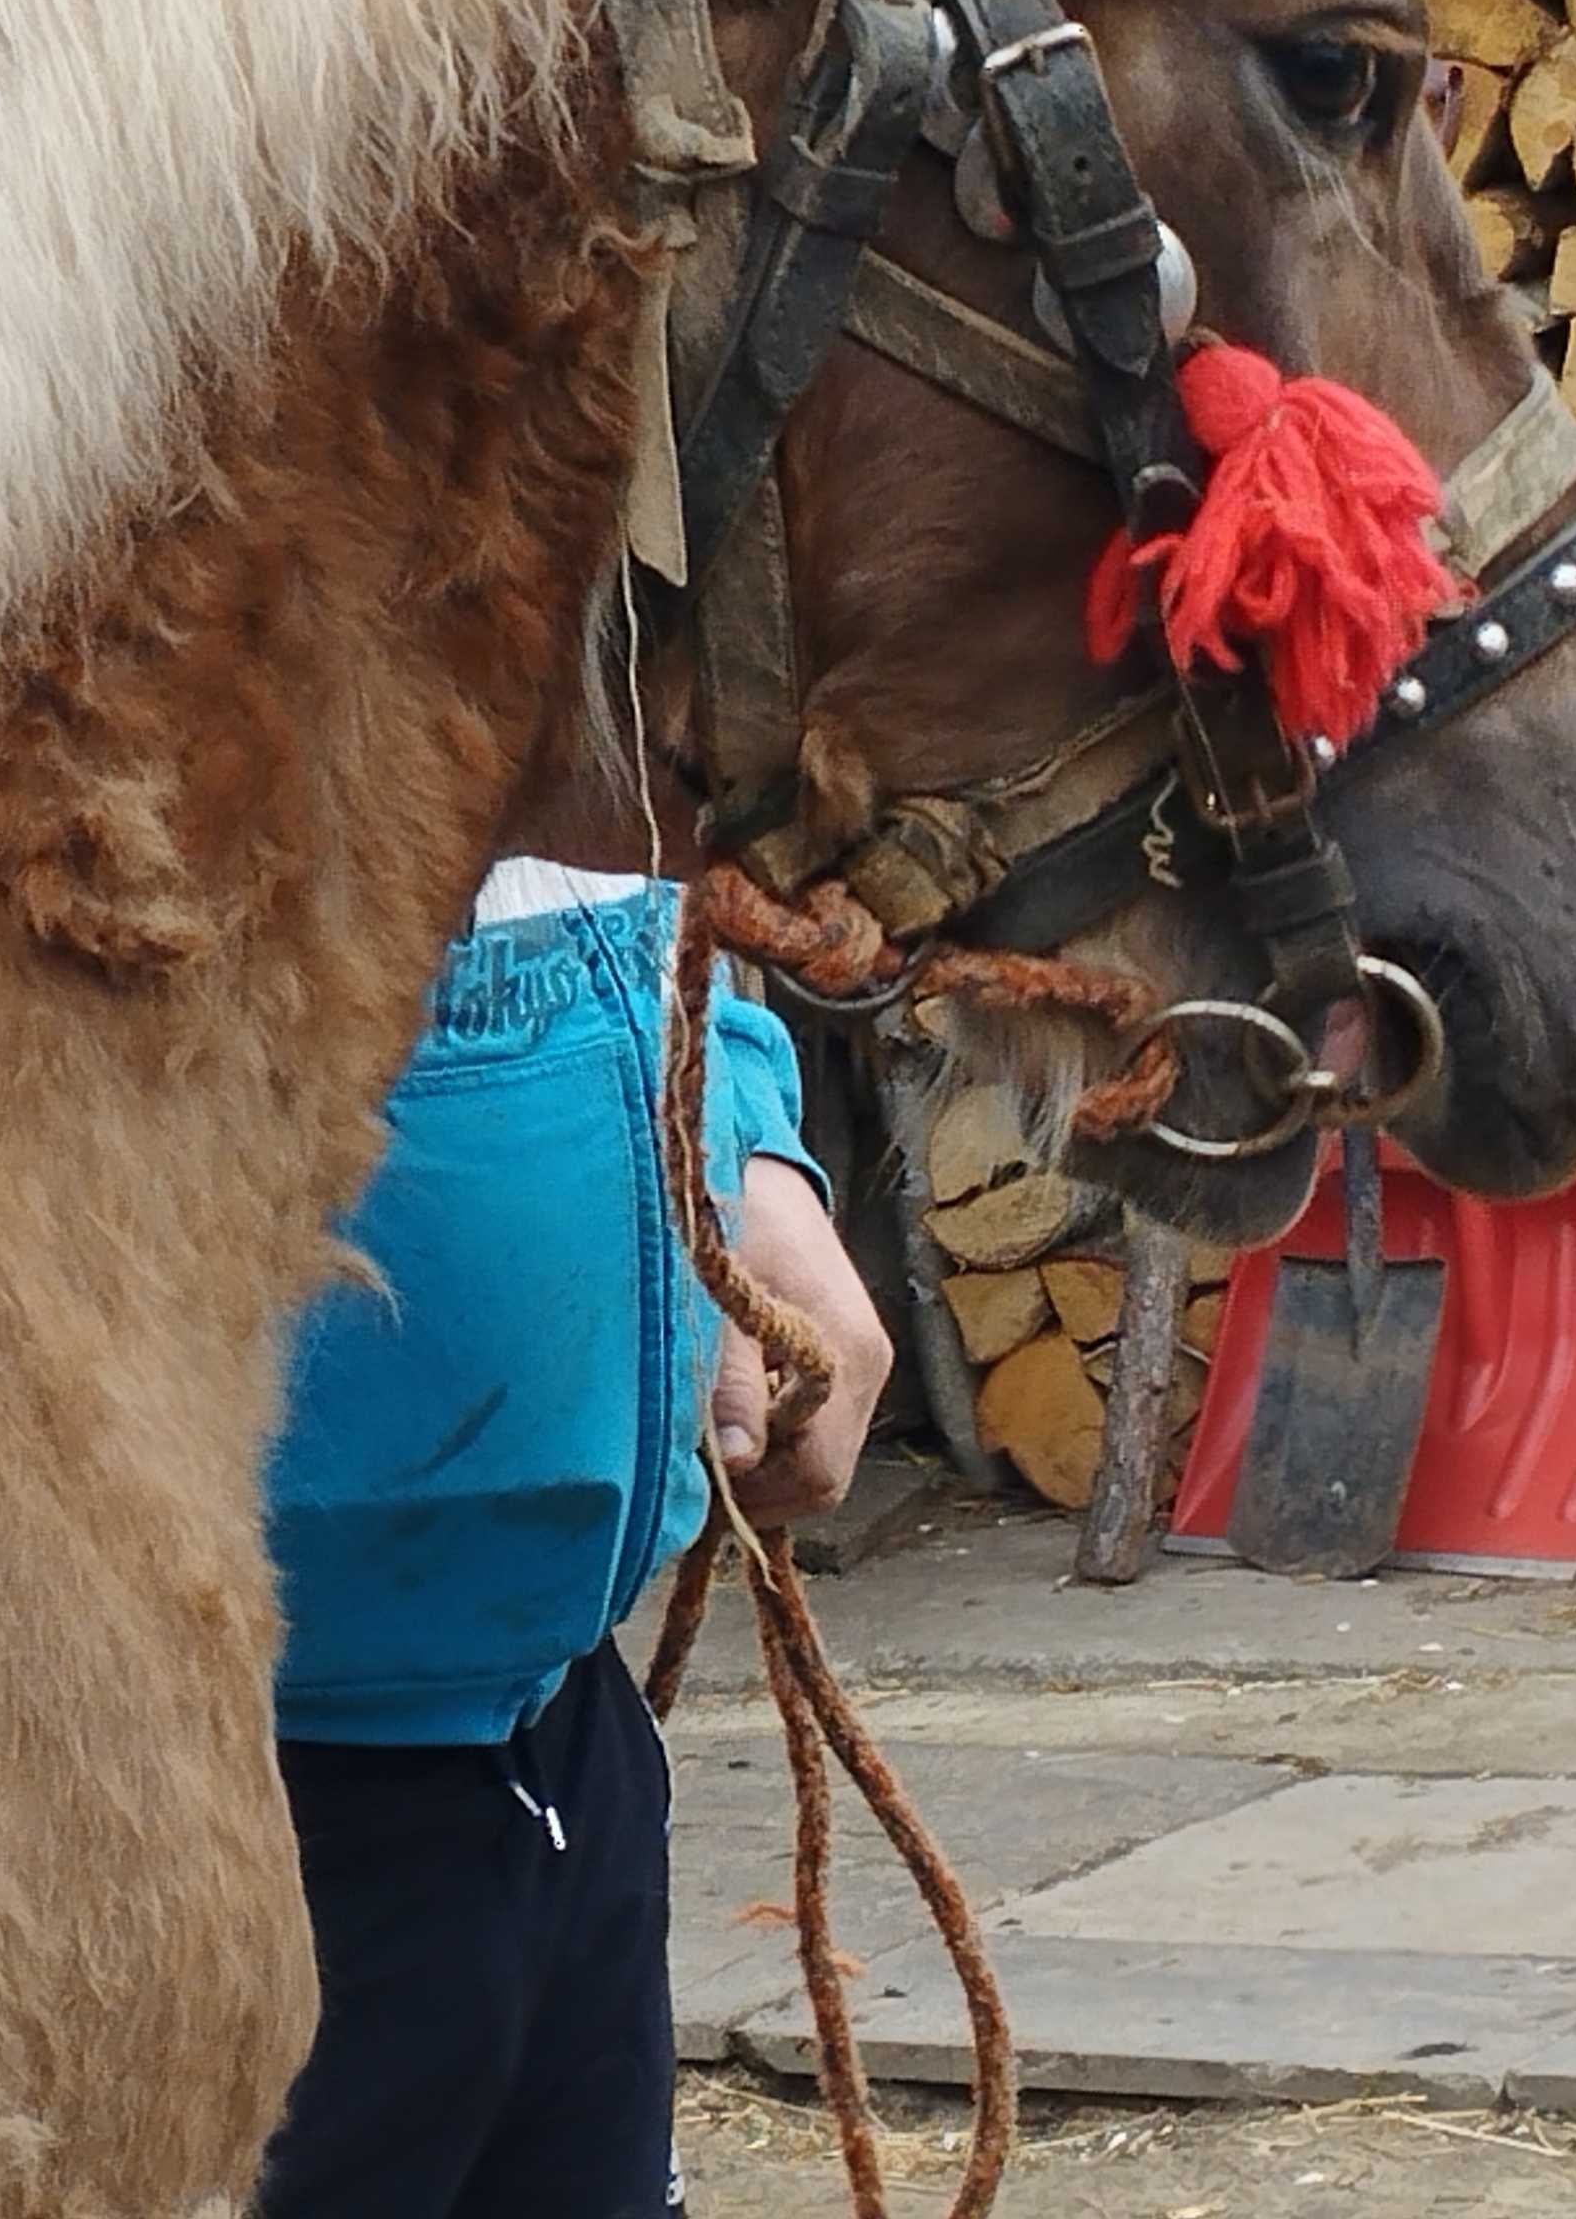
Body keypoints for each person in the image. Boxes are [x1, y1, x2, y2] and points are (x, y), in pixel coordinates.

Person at [258, 854, 894, 2219]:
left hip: (562, 1735)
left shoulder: (580, 657)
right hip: (238, 1798)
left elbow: (645, 883)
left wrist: (750, 1150)